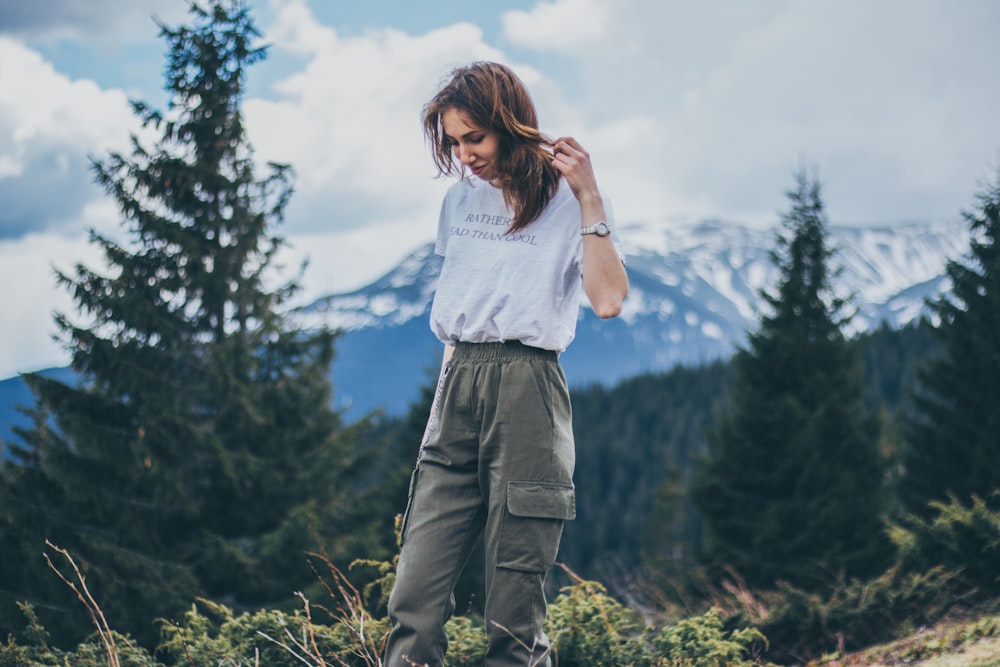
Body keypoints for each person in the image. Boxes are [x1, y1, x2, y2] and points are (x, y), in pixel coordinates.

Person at [385, 61, 629, 667]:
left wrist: (590, 195)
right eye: (454, 141)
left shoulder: (567, 203)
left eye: (476, 137)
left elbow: (608, 301)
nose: (464, 154)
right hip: (457, 384)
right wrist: (442, 410)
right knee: (413, 597)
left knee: (514, 610)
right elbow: (464, 299)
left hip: (529, 389)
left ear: (509, 125)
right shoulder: (458, 201)